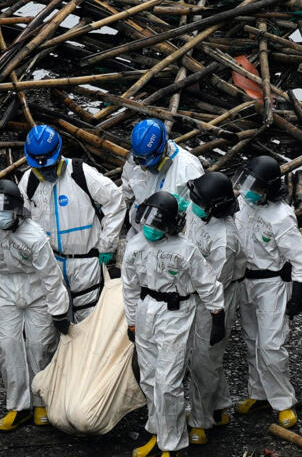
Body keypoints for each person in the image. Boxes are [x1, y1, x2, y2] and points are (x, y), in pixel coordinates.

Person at [0, 180, 71, 430]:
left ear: (18, 211)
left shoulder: (34, 236)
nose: (0, 217)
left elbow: (51, 277)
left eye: (5, 212)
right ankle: (18, 406)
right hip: (2, 289)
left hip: (36, 291)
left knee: (39, 346)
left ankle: (42, 401)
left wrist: (59, 311)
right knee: (8, 346)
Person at [122, 191, 225, 457]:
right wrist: (132, 321)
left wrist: (217, 315)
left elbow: (206, 283)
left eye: (157, 224)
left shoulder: (185, 250)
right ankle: (157, 434)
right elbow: (130, 287)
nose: (150, 228)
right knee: (149, 378)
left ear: (170, 225)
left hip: (176, 311)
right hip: (147, 308)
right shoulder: (135, 246)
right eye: (147, 221)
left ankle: (173, 444)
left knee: (168, 382)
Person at [233, 155, 302, 428]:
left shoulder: (280, 216)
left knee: (271, 345)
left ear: (268, 189)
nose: (248, 190)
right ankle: (258, 393)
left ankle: (283, 402)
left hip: (271, 284)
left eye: (254, 187)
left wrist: (298, 294)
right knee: (251, 340)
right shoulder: (242, 205)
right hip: (246, 281)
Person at [19, 124, 125, 321]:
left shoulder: (81, 173)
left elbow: (115, 201)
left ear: (59, 154)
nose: (46, 171)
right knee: (53, 320)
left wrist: (107, 244)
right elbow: (22, 222)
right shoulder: (29, 181)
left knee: (88, 320)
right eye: (40, 168)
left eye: (49, 166)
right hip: (50, 263)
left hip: (85, 262)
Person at [183, 171, 242, 445]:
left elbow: (214, 282)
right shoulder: (200, 211)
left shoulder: (226, 238)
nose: (193, 205)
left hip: (215, 296)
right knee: (203, 356)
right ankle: (220, 407)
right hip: (193, 289)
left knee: (204, 360)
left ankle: (200, 420)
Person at [121, 119, 203, 236]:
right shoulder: (137, 160)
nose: (145, 168)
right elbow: (125, 194)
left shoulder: (188, 168)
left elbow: (198, 217)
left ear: (163, 150)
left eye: (150, 163)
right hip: (137, 234)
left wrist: (186, 209)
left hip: (167, 240)